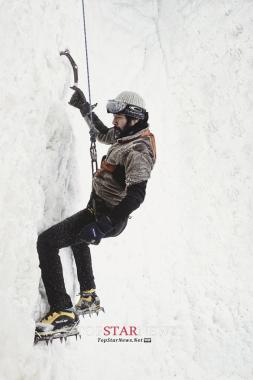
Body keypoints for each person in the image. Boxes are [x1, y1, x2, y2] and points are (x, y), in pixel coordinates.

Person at [35, 88, 156, 338]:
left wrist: (103, 224)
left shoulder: (139, 151)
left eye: (119, 117)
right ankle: (88, 294)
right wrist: (85, 109)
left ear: (134, 117)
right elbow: (102, 133)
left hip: (106, 216)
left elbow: (136, 195)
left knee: (47, 242)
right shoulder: (127, 136)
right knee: (80, 240)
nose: (114, 121)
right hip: (98, 209)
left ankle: (62, 312)